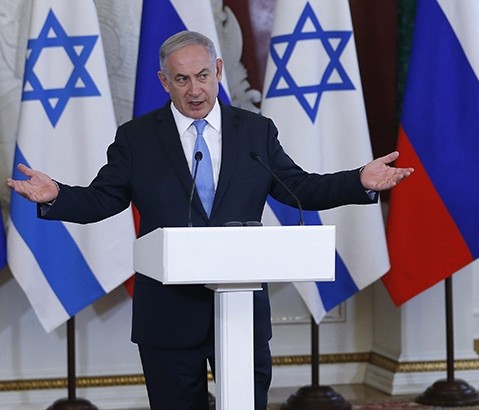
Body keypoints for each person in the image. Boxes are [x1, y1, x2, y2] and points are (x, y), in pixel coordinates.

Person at [7, 30, 413, 410]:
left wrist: (358, 180)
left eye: (202, 75)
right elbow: (103, 199)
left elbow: (299, 187)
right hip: (167, 313)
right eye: (181, 79)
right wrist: (57, 195)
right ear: (163, 82)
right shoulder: (138, 138)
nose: (195, 90)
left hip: (240, 310)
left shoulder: (255, 132)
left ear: (218, 71)